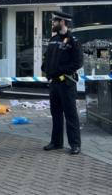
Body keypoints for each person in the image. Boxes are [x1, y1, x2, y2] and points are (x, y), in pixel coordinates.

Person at [41, 11, 83, 155]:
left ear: (63, 22)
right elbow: (47, 57)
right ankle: (56, 142)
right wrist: (45, 68)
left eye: (54, 21)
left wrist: (61, 70)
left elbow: (78, 62)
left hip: (66, 83)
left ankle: (75, 144)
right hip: (54, 84)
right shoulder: (53, 39)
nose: (52, 23)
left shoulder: (73, 40)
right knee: (56, 114)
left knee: (70, 115)